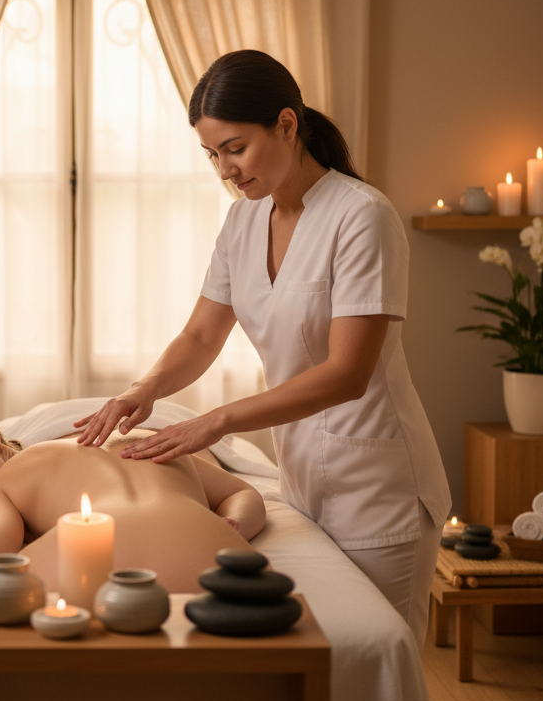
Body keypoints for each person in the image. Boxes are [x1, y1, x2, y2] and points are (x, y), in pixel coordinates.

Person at [74, 49, 451, 646]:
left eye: (235, 148)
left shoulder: (361, 216)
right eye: (212, 155)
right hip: (302, 479)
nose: (225, 169)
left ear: (286, 124)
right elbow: (201, 336)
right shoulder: (243, 223)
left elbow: (347, 373)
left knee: (374, 663)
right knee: (313, 663)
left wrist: (216, 423)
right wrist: (141, 389)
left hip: (378, 488)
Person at [0, 409, 266, 593]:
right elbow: (243, 493)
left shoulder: (0, 489)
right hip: (204, 541)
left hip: (100, 554)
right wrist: (232, 528)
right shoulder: (146, 439)